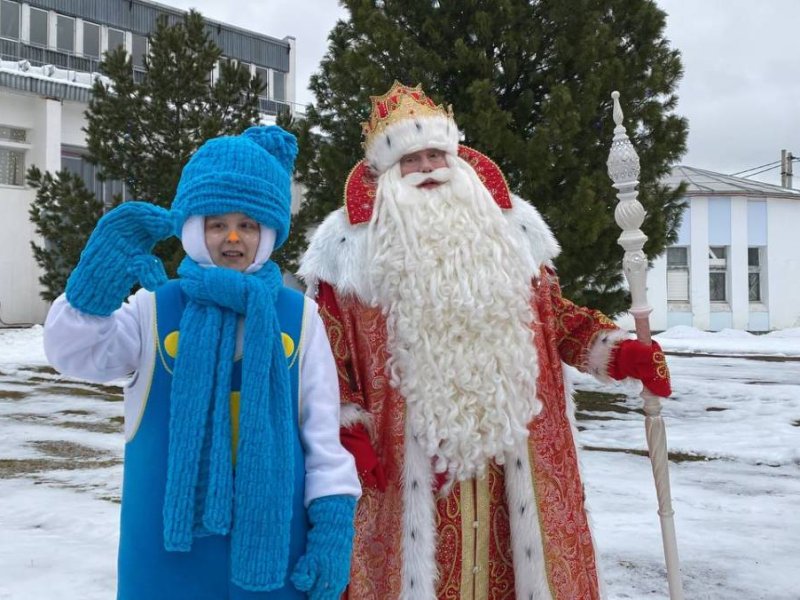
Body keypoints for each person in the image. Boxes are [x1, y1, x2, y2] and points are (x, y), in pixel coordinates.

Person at [297, 83, 672, 600]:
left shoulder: (511, 236)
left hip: (508, 450)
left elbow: (556, 320)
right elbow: (326, 354)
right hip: (404, 459)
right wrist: (347, 430)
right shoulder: (348, 256)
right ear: (385, 174)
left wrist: (619, 352)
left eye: (435, 154)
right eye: (410, 160)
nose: (427, 168)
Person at [44, 126, 361, 600]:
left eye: (248, 225)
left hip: (274, 548)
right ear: (194, 228)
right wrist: (97, 279)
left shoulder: (299, 317)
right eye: (217, 224)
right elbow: (74, 352)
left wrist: (332, 529)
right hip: (167, 554)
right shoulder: (155, 308)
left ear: (268, 233)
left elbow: (322, 438)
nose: (232, 237)